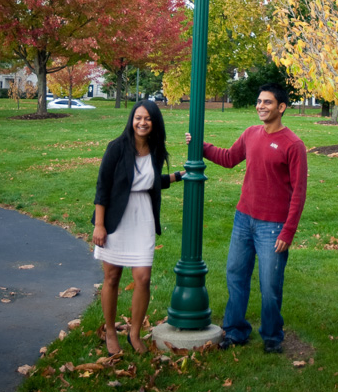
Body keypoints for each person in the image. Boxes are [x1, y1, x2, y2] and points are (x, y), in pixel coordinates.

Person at [187, 84, 307, 353]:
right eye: (259, 101)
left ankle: (273, 337)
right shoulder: (251, 134)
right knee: (236, 276)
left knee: (270, 286)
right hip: (244, 219)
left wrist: (287, 232)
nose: (260, 106)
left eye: (267, 102)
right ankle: (235, 330)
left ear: (281, 107)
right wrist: (201, 146)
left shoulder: (293, 145)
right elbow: (229, 158)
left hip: (273, 227)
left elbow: (298, 193)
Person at [92, 99, 184, 356]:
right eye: (138, 118)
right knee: (112, 277)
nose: (142, 123)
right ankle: (110, 331)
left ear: (155, 123)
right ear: (132, 120)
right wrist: (99, 225)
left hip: (142, 216)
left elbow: (150, 182)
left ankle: (134, 333)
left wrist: (176, 176)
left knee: (143, 278)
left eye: (148, 119)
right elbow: (102, 188)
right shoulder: (117, 148)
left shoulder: (155, 150)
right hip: (115, 219)